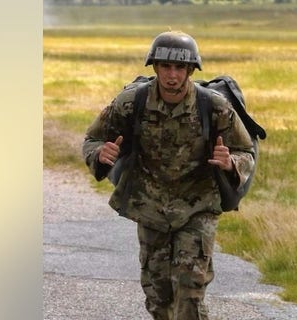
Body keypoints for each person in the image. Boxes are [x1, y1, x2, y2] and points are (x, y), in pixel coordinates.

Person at [82, 31, 255, 320]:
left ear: (190, 70)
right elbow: (92, 138)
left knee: (190, 290)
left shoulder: (214, 107)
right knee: (158, 295)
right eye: (165, 66)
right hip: (150, 206)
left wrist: (231, 162)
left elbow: (245, 150)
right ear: (155, 67)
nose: (172, 75)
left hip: (198, 206)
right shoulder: (130, 102)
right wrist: (100, 154)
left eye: (179, 68)